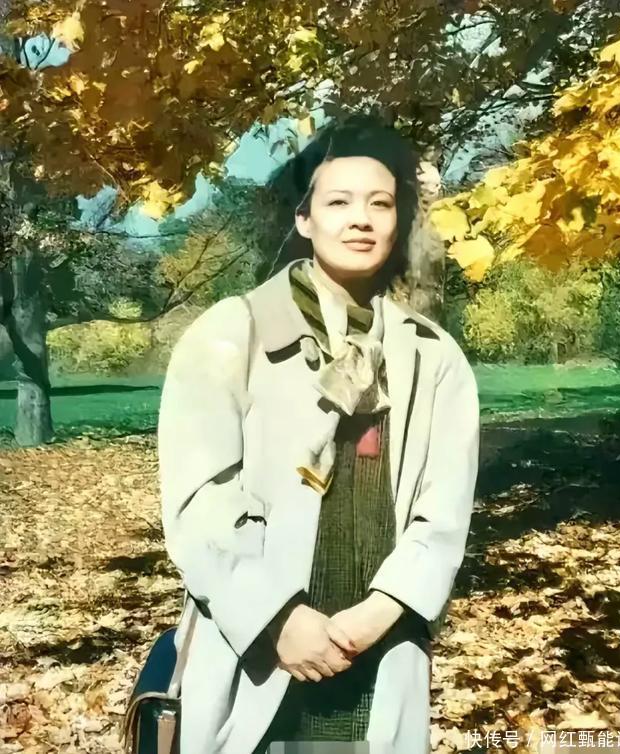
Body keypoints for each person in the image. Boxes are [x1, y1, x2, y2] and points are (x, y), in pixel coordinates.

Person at [157, 114, 480, 754]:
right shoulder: (233, 332)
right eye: (339, 202)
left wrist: (381, 612)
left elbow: (441, 516)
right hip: (258, 657)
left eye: (380, 204)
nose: (361, 220)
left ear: (399, 221)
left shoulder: (434, 357)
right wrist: (279, 620)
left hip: (380, 651)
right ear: (304, 218)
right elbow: (200, 501)